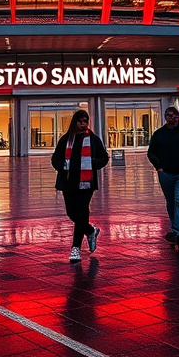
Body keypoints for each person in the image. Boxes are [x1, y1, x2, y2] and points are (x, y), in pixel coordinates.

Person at [51, 110, 109, 263]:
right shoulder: (66, 139)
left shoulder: (93, 139)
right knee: (71, 213)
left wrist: (92, 164)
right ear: (75, 122)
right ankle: (90, 230)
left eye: (86, 121)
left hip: (86, 182)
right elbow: (55, 158)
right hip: (68, 182)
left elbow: (104, 158)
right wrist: (62, 167)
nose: (83, 124)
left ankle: (75, 248)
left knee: (81, 211)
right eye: (81, 121)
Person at [147, 106, 179, 250]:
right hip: (166, 174)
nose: (174, 119)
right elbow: (151, 153)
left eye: (176, 117)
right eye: (171, 116)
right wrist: (159, 167)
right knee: (171, 202)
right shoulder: (159, 134)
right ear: (165, 117)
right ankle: (175, 228)